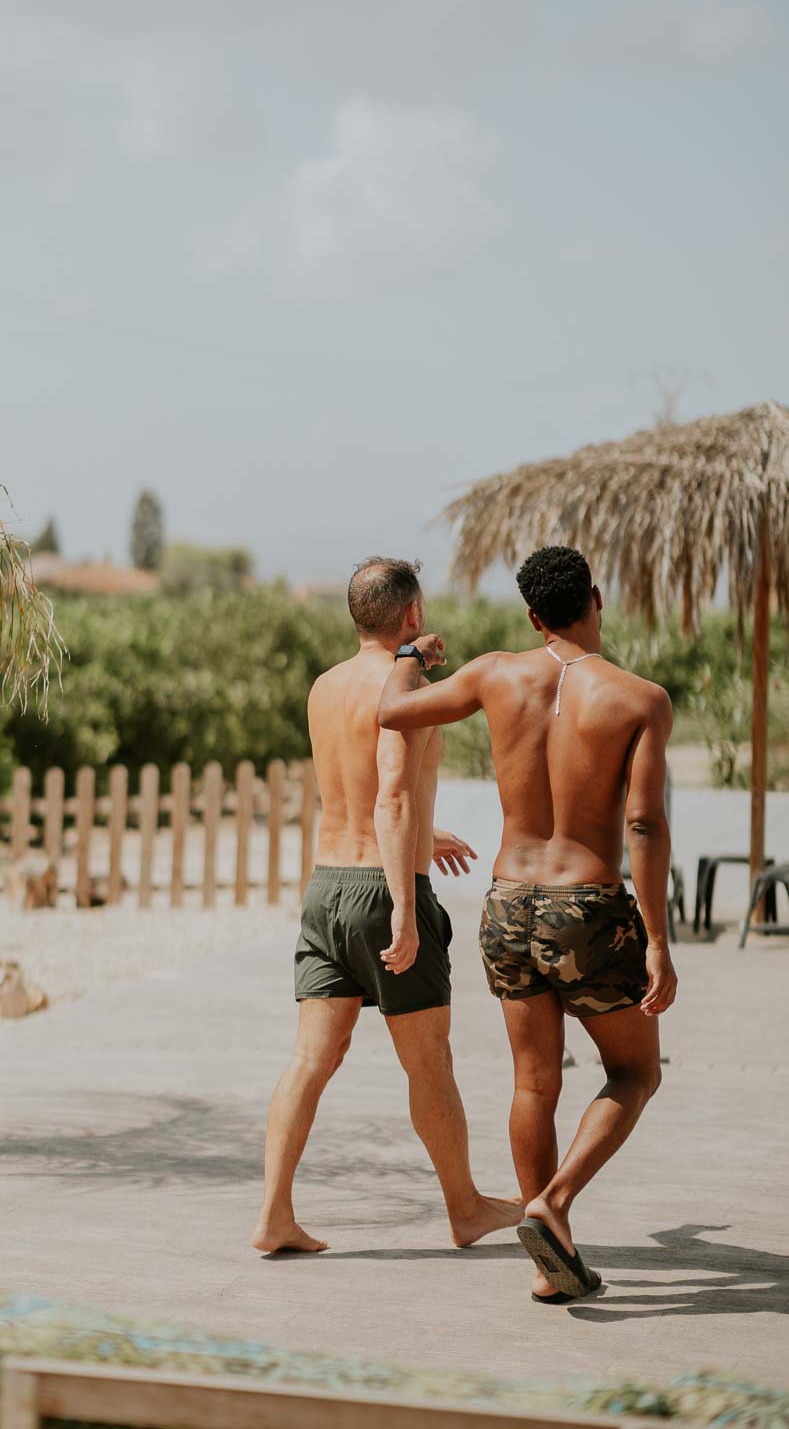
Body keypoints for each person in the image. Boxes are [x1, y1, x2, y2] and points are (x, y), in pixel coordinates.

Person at [377, 545, 677, 1302]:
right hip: (587, 907)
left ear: (533, 617)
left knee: (532, 1081)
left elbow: (391, 709)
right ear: (595, 600)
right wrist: (659, 943)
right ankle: (554, 1204)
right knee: (635, 1072)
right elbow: (642, 826)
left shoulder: (492, 673)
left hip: (507, 903)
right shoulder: (639, 699)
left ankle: (554, 1263)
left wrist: (409, 652)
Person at [251, 556, 521, 1256]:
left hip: (326, 887)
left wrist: (424, 833)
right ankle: (464, 1209)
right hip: (382, 888)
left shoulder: (324, 686)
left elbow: (355, 787)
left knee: (310, 1058)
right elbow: (393, 793)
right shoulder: (407, 687)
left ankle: (273, 1215)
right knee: (428, 1060)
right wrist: (405, 902)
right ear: (411, 613)